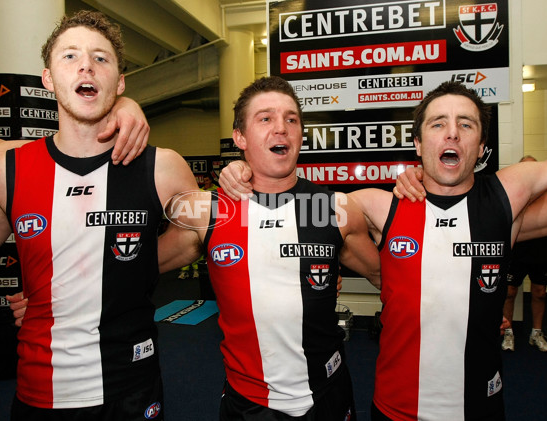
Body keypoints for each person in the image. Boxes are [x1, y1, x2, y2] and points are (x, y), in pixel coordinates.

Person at [219, 80, 547, 420]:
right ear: (418, 144)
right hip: (396, 409)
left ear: (482, 144)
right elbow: (286, 207)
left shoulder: (504, 202)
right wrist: (243, 169)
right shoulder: (377, 205)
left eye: (466, 124)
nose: (452, 133)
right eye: (438, 124)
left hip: (481, 406)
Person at [0, 10, 198, 421]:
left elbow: (196, 236)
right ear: (48, 78)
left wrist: (112, 278)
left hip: (132, 384)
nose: (86, 64)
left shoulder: (164, 167)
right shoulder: (3, 172)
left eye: (101, 58)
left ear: (119, 83)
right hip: (41, 387)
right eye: (70, 56)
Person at [157, 75, 380, 420]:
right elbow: (132, 268)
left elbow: (391, 279)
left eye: (291, 119)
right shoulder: (210, 213)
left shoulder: (335, 209)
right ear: (240, 138)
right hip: (247, 403)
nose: (282, 128)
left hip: (327, 396)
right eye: (266, 119)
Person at [501, 156, 547, 352]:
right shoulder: (513, 194)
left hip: (540, 249)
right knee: (509, 292)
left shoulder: (546, 194)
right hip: (517, 249)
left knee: (540, 292)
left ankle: (536, 333)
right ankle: (508, 333)